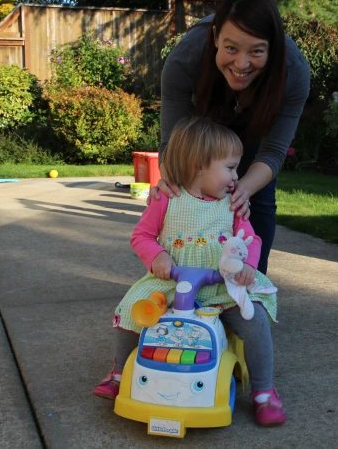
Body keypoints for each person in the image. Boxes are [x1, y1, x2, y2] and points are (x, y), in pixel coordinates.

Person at [94, 116, 286, 426]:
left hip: (221, 284)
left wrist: (249, 264)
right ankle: (119, 373)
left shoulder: (232, 204)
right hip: (173, 283)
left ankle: (264, 392)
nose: (236, 176)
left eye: (236, 168)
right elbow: (141, 236)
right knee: (131, 308)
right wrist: (157, 256)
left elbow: (250, 239)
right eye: (230, 167)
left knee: (255, 318)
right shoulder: (167, 199)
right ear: (198, 165)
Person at [152, 0, 311, 276]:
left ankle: (250, 280)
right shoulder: (184, 60)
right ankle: (189, 275)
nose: (241, 63)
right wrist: (173, 183)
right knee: (191, 192)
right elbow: (171, 144)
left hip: (254, 127)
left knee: (255, 200)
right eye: (231, 48)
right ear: (215, 37)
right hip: (203, 125)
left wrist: (244, 189)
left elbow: (273, 152)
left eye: (257, 51)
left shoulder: (294, 71)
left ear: (272, 48)